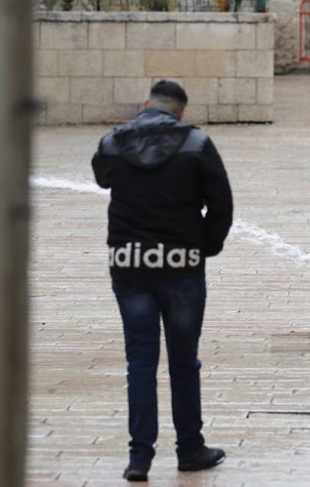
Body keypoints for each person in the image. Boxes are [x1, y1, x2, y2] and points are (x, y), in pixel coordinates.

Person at [92, 80, 233, 482]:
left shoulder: (113, 142)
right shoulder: (197, 143)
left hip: (130, 265)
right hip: (182, 266)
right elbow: (221, 202)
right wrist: (206, 246)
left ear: (144, 105)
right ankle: (190, 449)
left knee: (140, 362)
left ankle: (139, 459)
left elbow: (102, 177)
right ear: (181, 112)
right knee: (184, 361)